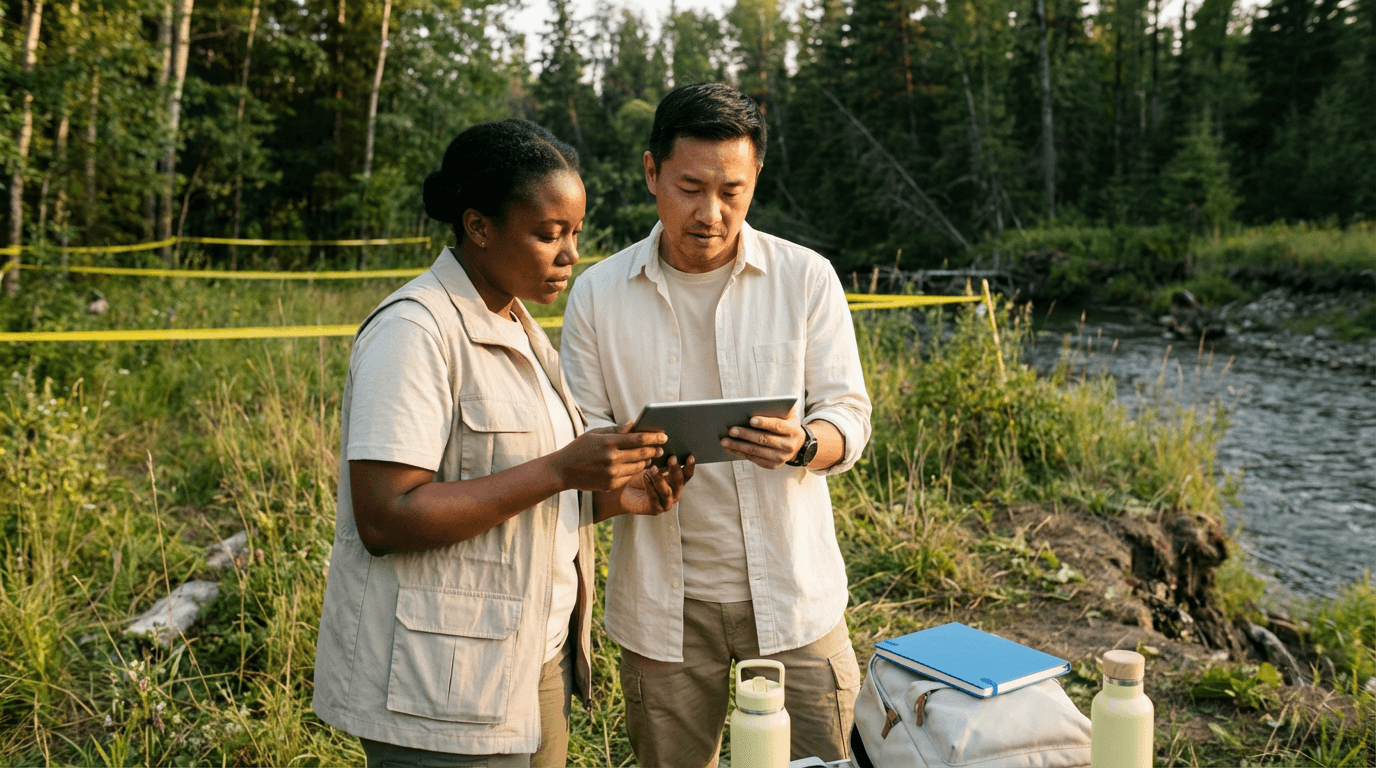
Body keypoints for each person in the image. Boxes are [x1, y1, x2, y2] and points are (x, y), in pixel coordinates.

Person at [313, 118, 693, 768]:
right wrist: (559, 470)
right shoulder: (415, 332)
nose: (570, 254)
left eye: (574, 233)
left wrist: (614, 498)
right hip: (437, 687)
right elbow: (385, 515)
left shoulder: (518, 326)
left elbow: (514, 498)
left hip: (533, 657)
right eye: (548, 234)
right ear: (478, 227)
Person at [560, 83, 873, 767]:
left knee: (823, 762)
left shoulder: (806, 278)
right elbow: (583, 443)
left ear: (756, 178)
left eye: (733, 190)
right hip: (661, 606)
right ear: (651, 173)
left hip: (796, 594)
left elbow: (848, 412)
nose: (711, 213)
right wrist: (626, 472)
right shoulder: (598, 295)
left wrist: (808, 445)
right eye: (690, 187)